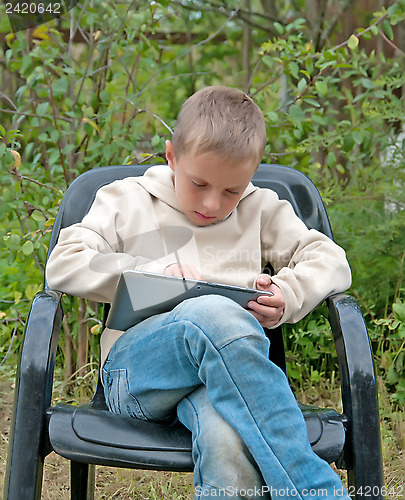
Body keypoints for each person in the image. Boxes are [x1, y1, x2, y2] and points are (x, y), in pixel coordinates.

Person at [46, 86, 352, 499]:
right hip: (135, 378)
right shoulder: (126, 199)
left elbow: (330, 259)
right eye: (199, 183)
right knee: (210, 313)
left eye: (231, 191)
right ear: (172, 156)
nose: (212, 203)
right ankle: (316, 491)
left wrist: (288, 292)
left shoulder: (261, 207)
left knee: (228, 438)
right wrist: (151, 274)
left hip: (225, 384)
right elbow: (63, 262)